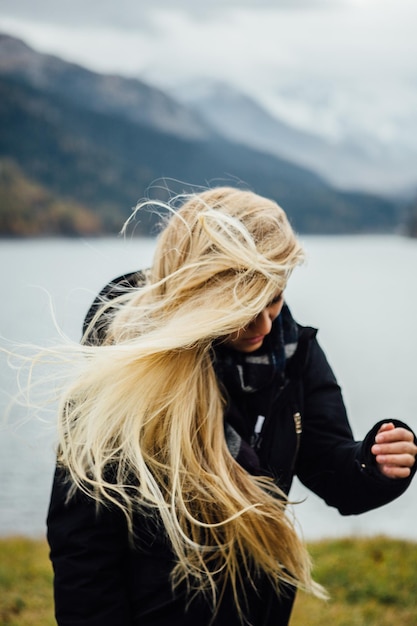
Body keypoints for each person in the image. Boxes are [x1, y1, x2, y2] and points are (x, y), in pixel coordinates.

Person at [47, 186, 417, 626]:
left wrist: (371, 463)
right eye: (243, 306)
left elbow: (330, 469)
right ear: (200, 289)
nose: (265, 323)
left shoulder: (293, 350)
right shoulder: (123, 354)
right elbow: (82, 539)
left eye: (275, 298)